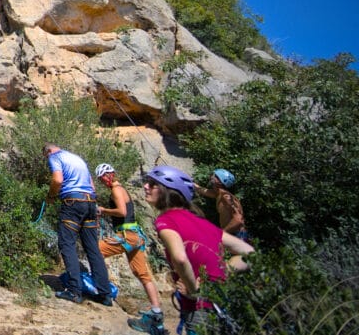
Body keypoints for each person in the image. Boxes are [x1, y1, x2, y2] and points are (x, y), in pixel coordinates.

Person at [143, 165, 254, 335]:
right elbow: (250, 253)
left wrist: (193, 289)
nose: (146, 186)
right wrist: (220, 273)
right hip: (220, 305)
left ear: (167, 192)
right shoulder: (204, 223)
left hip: (198, 309)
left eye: (152, 184)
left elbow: (180, 258)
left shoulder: (166, 220)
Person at [93, 164, 166, 334]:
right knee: (141, 273)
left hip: (126, 234)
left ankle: (102, 291)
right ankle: (157, 314)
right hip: (134, 235)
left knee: (95, 251)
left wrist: (103, 210)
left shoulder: (116, 190)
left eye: (105, 175)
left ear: (112, 174)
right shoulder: (120, 188)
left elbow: (121, 211)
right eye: (101, 177)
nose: (103, 179)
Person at [45, 143, 112, 305]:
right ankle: (105, 294)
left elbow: (58, 179)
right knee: (92, 248)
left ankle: (74, 291)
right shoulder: (78, 159)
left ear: (48, 151)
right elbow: (92, 186)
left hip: (73, 203)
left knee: (66, 244)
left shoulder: (55, 157)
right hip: (90, 202)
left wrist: (51, 195)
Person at [194, 169, 249, 243]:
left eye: (215, 176)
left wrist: (222, 233)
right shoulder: (219, 194)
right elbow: (202, 190)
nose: (211, 177)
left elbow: (239, 220)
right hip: (233, 233)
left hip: (237, 235)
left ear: (219, 182)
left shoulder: (226, 197)